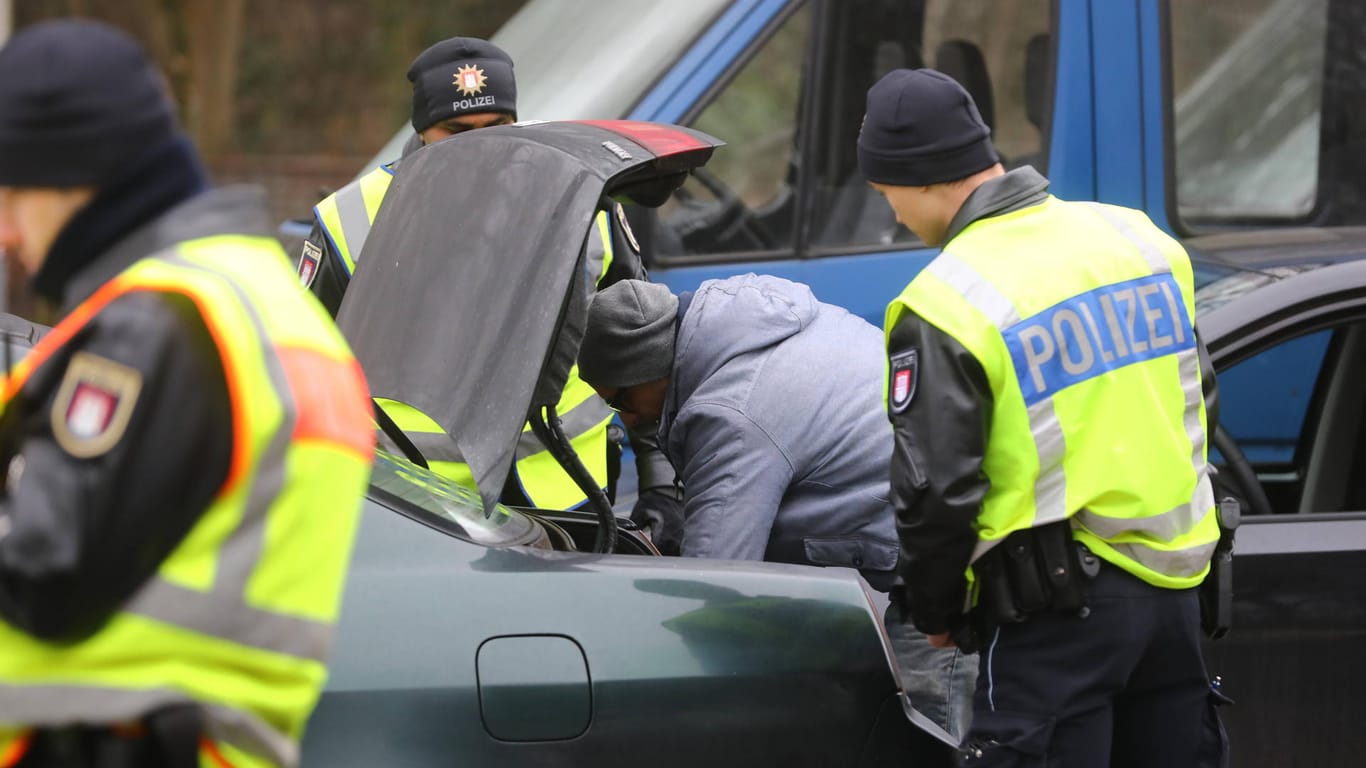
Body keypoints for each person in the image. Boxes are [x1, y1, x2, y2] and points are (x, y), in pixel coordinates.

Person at [0, 20, 374, 768]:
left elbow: (41, 567)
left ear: (82, 178)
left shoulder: (161, 319)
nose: (6, 230)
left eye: (12, 192)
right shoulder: (259, 299)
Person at [860, 68, 1225, 765]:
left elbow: (936, 488)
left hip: (1054, 620)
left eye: (887, 194)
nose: (893, 214)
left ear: (921, 177)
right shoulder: (1138, 240)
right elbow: (1198, 397)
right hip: (1175, 594)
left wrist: (934, 611)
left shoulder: (946, 301)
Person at [298, 37, 682, 539]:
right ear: (421, 131)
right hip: (424, 509)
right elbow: (299, 376)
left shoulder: (582, 198)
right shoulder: (350, 220)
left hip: (573, 492)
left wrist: (661, 483)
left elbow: (645, 351)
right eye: (456, 133)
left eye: (496, 129)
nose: (480, 146)